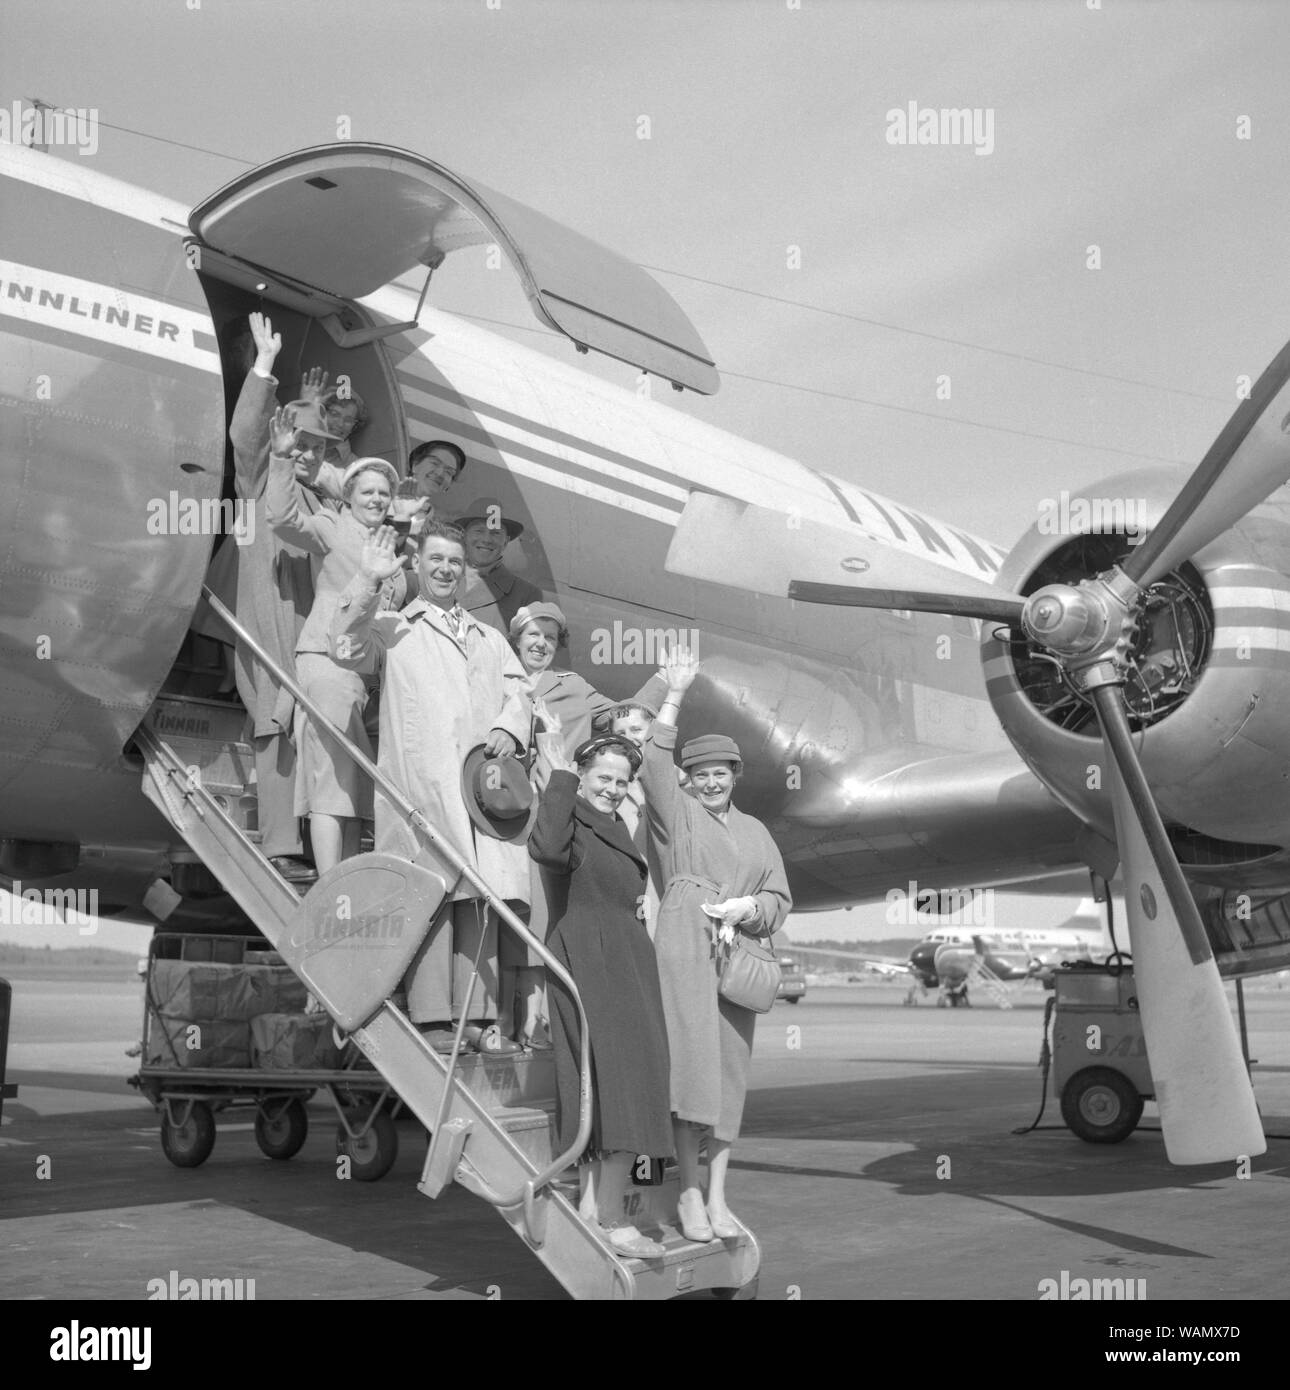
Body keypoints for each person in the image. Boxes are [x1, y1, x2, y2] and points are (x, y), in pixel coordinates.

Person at [330, 523, 531, 1055]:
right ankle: (433, 1017)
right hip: (423, 785)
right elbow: (346, 648)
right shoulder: (395, 629)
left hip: (482, 788)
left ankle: (478, 1018)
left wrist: (511, 726)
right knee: (433, 897)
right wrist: (368, 580)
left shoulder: (490, 638)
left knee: (481, 899)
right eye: (435, 560)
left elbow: (519, 690)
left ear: (466, 573)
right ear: (418, 566)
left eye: (454, 563)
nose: (445, 569)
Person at [639, 648, 792, 1243]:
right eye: (699, 773)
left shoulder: (756, 831)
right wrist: (674, 694)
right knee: (692, 1069)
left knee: (729, 1075)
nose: (709, 781)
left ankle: (721, 1195)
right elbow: (653, 761)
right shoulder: (676, 814)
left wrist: (752, 908)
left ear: (734, 775)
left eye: (719, 772)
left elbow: (780, 896)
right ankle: (689, 1196)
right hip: (684, 939)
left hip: (739, 952)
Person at [207, 312, 348, 884]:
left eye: (319, 447)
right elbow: (246, 437)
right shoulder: (263, 477)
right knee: (275, 713)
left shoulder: (326, 505)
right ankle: (281, 842)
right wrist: (264, 367)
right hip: (270, 613)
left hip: (313, 623)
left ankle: (315, 839)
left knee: (311, 723)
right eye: (302, 443)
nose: (310, 454)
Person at [528, 727, 673, 1259]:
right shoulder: (569, 815)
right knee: (616, 1084)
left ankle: (594, 1210)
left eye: (622, 780)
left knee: (626, 1079)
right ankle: (612, 1218)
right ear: (583, 777)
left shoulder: (612, 823)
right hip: (591, 961)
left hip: (625, 963)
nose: (613, 787)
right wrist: (561, 774)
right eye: (603, 777)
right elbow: (545, 848)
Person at [506, 603, 666, 1047]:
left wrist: (666, 681)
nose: (540, 644)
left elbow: (624, 717)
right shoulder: (497, 679)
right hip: (502, 811)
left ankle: (539, 1019)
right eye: (533, 635)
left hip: (558, 810)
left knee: (547, 913)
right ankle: (509, 1018)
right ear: (516, 638)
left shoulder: (572, 686)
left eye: (550, 638)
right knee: (511, 912)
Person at [266, 436, 405, 874]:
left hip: (369, 675)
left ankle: (347, 874)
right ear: (349, 495)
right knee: (330, 774)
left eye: (384, 493)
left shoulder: (390, 543)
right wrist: (283, 458)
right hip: (328, 660)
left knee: (355, 782)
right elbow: (283, 518)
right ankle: (331, 880)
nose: (377, 499)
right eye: (367, 491)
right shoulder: (332, 524)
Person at [454, 498, 545, 635]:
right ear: (464, 535)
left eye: (496, 533)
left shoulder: (526, 596)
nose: (486, 539)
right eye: (479, 531)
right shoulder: (441, 574)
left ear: (506, 541)